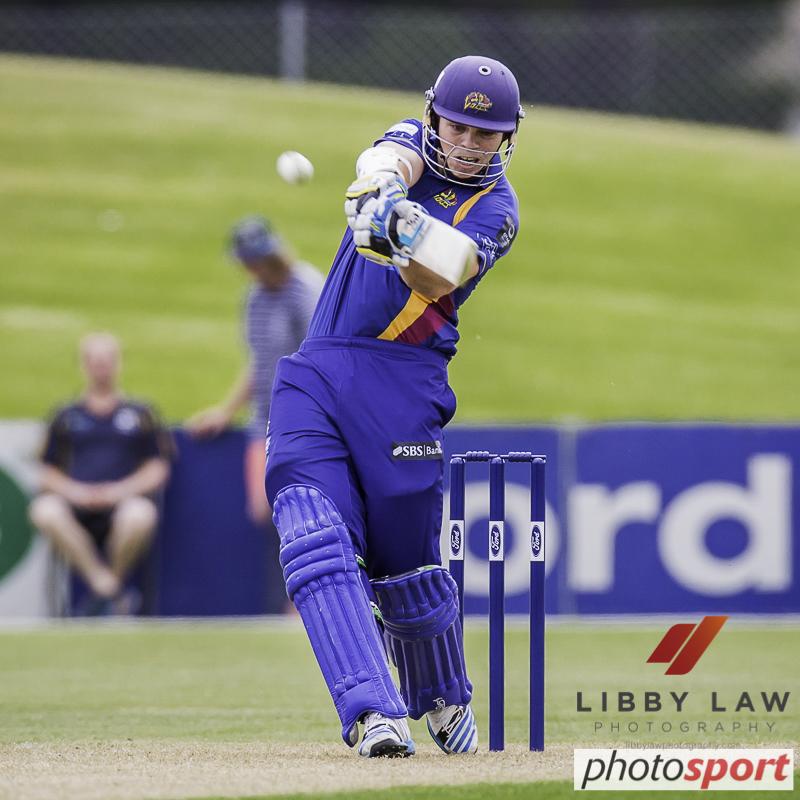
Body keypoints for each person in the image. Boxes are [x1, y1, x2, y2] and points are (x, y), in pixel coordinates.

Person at [264, 55, 523, 757]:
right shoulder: (411, 136)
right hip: (320, 365)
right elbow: (386, 158)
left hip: (405, 383)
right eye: (457, 126)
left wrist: (399, 231)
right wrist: (380, 187)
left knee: (403, 563)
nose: (467, 143)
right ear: (435, 115)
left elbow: (445, 273)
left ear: (506, 139)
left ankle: (441, 695)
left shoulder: (498, 209)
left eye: (485, 134)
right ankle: (372, 711)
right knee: (312, 531)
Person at [188, 217, 322, 612]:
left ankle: (305, 600)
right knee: (264, 508)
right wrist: (226, 410)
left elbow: (317, 358)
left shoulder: (305, 290)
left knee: (298, 504)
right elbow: (260, 363)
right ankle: (296, 596)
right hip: (263, 417)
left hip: (301, 419)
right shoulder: (255, 299)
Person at [29, 333, 173, 614]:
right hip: (77, 506)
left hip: (122, 502)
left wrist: (118, 491)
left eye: (107, 361)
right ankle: (107, 588)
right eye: (95, 361)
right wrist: (76, 492)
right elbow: (46, 471)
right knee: (44, 510)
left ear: (118, 364)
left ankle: (106, 591)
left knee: (140, 514)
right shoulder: (65, 415)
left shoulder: (141, 413)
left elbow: (157, 468)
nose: (101, 367)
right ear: (83, 365)